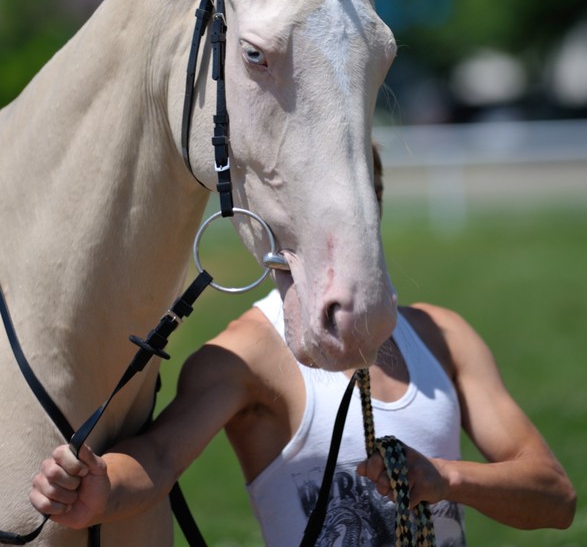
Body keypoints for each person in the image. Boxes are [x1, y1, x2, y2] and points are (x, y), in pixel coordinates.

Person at [29, 146, 576, 546]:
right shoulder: (245, 354)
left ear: (375, 204)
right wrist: (100, 490)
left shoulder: (444, 336)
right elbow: (160, 455)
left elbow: (554, 496)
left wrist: (443, 478)